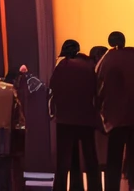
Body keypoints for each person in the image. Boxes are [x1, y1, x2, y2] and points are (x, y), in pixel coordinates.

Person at [50, 40, 101, 191]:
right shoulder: (89, 66)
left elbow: (53, 88)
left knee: (65, 160)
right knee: (90, 158)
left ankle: (65, 187)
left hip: (65, 119)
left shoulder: (62, 67)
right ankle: (95, 187)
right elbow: (96, 90)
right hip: (86, 118)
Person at [99, 32, 134, 191]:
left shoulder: (108, 59)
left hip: (116, 118)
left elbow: (98, 85)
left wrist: (99, 108)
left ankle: (112, 188)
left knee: (114, 158)